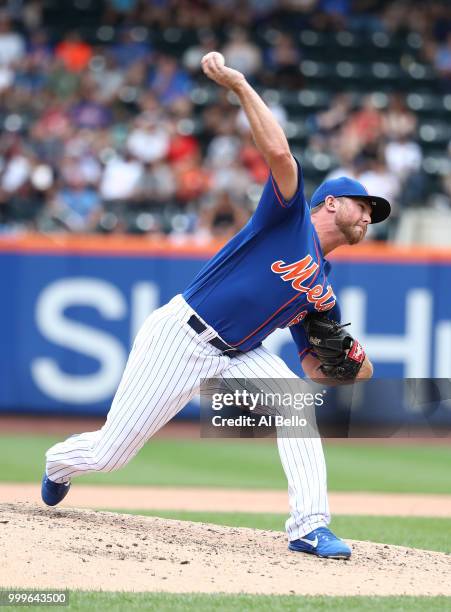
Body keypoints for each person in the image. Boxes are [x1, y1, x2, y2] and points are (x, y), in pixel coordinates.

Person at [41, 52, 391, 560]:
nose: (370, 217)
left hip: (238, 354)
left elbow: (316, 367)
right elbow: (280, 155)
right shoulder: (288, 219)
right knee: (109, 453)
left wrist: (353, 366)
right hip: (181, 335)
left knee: (296, 405)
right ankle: (58, 464)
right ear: (332, 203)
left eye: (375, 213)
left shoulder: (324, 289)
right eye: (365, 206)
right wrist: (240, 85)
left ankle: (309, 527)